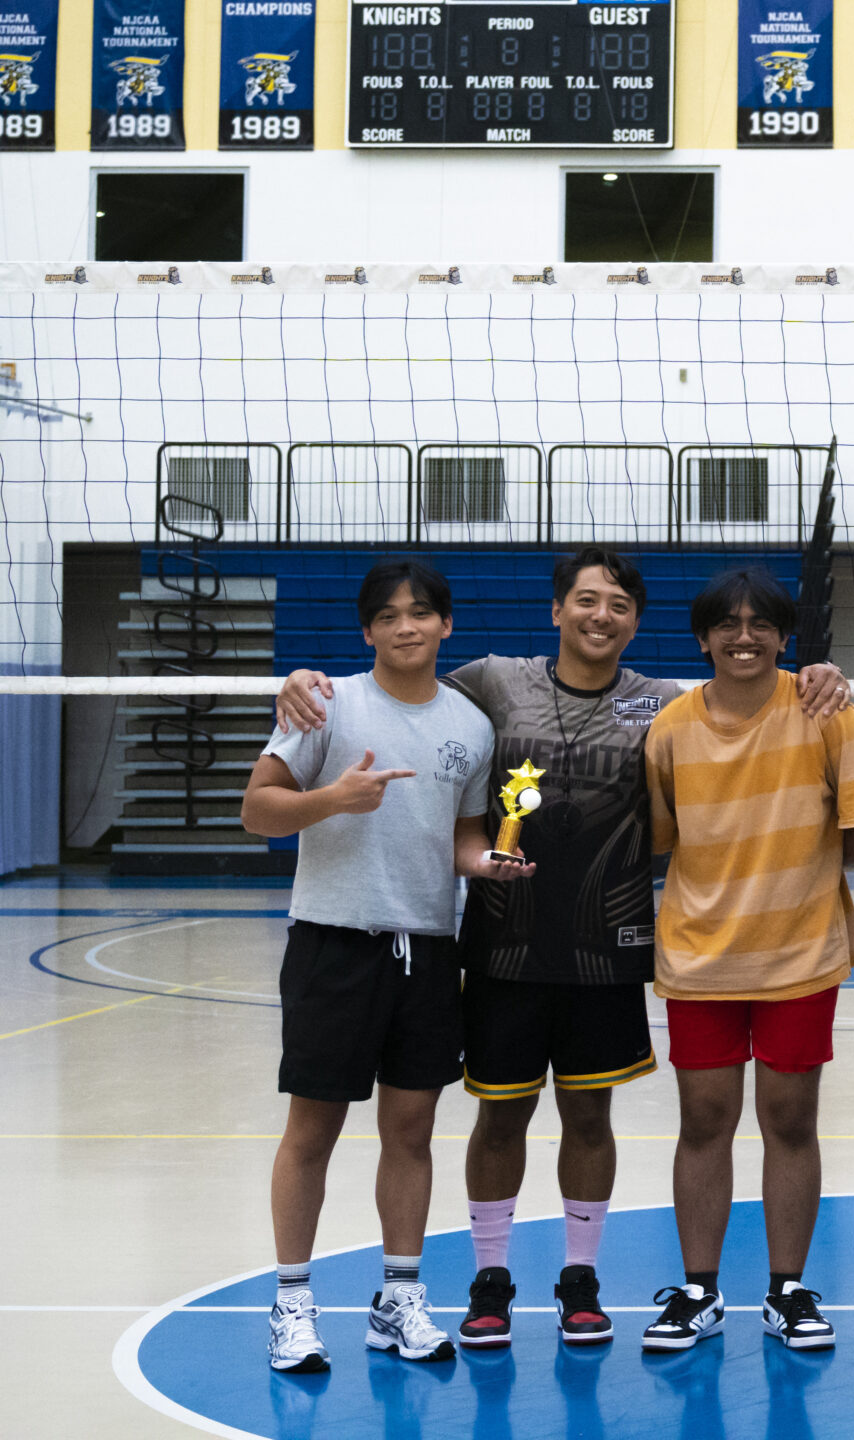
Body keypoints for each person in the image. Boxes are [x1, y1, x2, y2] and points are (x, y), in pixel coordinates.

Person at [273, 549, 853, 1348]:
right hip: (503, 949)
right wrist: (305, 678)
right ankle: (490, 1280)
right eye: (585, 600)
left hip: (608, 952)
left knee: (590, 1117)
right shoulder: (492, 682)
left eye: (618, 604)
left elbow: (734, 723)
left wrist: (822, 674)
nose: (600, 615)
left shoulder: (663, 706)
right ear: (555, 611)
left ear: (638, 623)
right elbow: (402, 676)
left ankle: (580, 1279)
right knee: (499, 1118)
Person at [242, 557, 512, 1372]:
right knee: (312, 1132)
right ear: (367, 631)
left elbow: (461, 836)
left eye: (421, 612)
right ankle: (292, 1303)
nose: (406, 626)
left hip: (426, 951)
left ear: (446, 625)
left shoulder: (472, 726)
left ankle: (398, 1300)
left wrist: (485, 863)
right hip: (333, 943)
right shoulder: (326, 702)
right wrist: (332, 799)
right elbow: (259, 809)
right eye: (389, 615)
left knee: (412, 1132)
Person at [637, 567, 854, 1353]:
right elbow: (660, 842)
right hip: (699, 957)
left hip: (799, 957)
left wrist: (797, 864)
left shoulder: (824, 711)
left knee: (790, 1121)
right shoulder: (671, 728)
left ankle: (788, 1290)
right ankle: (698, 1291)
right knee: (703, 1121)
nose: (743, 636)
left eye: (760, 624)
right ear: (702, 637)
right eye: (727, 623)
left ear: (785, 636)